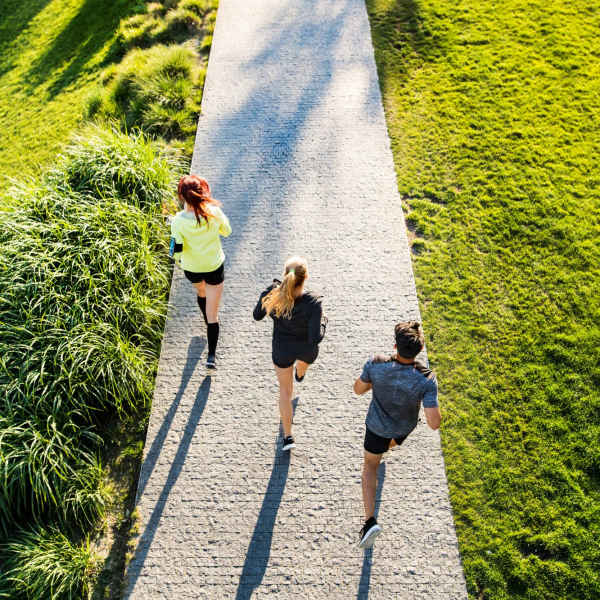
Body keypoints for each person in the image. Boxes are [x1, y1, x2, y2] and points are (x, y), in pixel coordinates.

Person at [353, 321, 441, 549]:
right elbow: (434, 424)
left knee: (370, 465)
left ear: (395, 346)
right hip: (403, 429)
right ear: (420, 350)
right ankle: (383, 451)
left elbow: (358, 389)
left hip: (376, 427)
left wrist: (377, 381)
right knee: (386, 447)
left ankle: (369, 522)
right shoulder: (427, 379)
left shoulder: (376, 363)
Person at [253, 256, 324, 451]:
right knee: (303, 363)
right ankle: (300, 373)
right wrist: (323, 324)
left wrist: (267, 292)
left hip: (282, 349)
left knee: (285, 392)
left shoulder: (274, 294)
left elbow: (257, 315)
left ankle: (288, 437)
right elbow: (314, 338)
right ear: (305, 277)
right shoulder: (313, 302)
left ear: (285, 275)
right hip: (305, 350)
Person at [170, 175, 232, 370]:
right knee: (213, 315)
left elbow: (176, 250)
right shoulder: (214, 212)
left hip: (192, 268)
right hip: (213, 266)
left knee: (201, 292)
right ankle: (211, 356)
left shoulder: (177, 221)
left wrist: (182, 262)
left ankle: (205, 316)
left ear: (182, 197)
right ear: (203, 192)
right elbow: (227, 231)